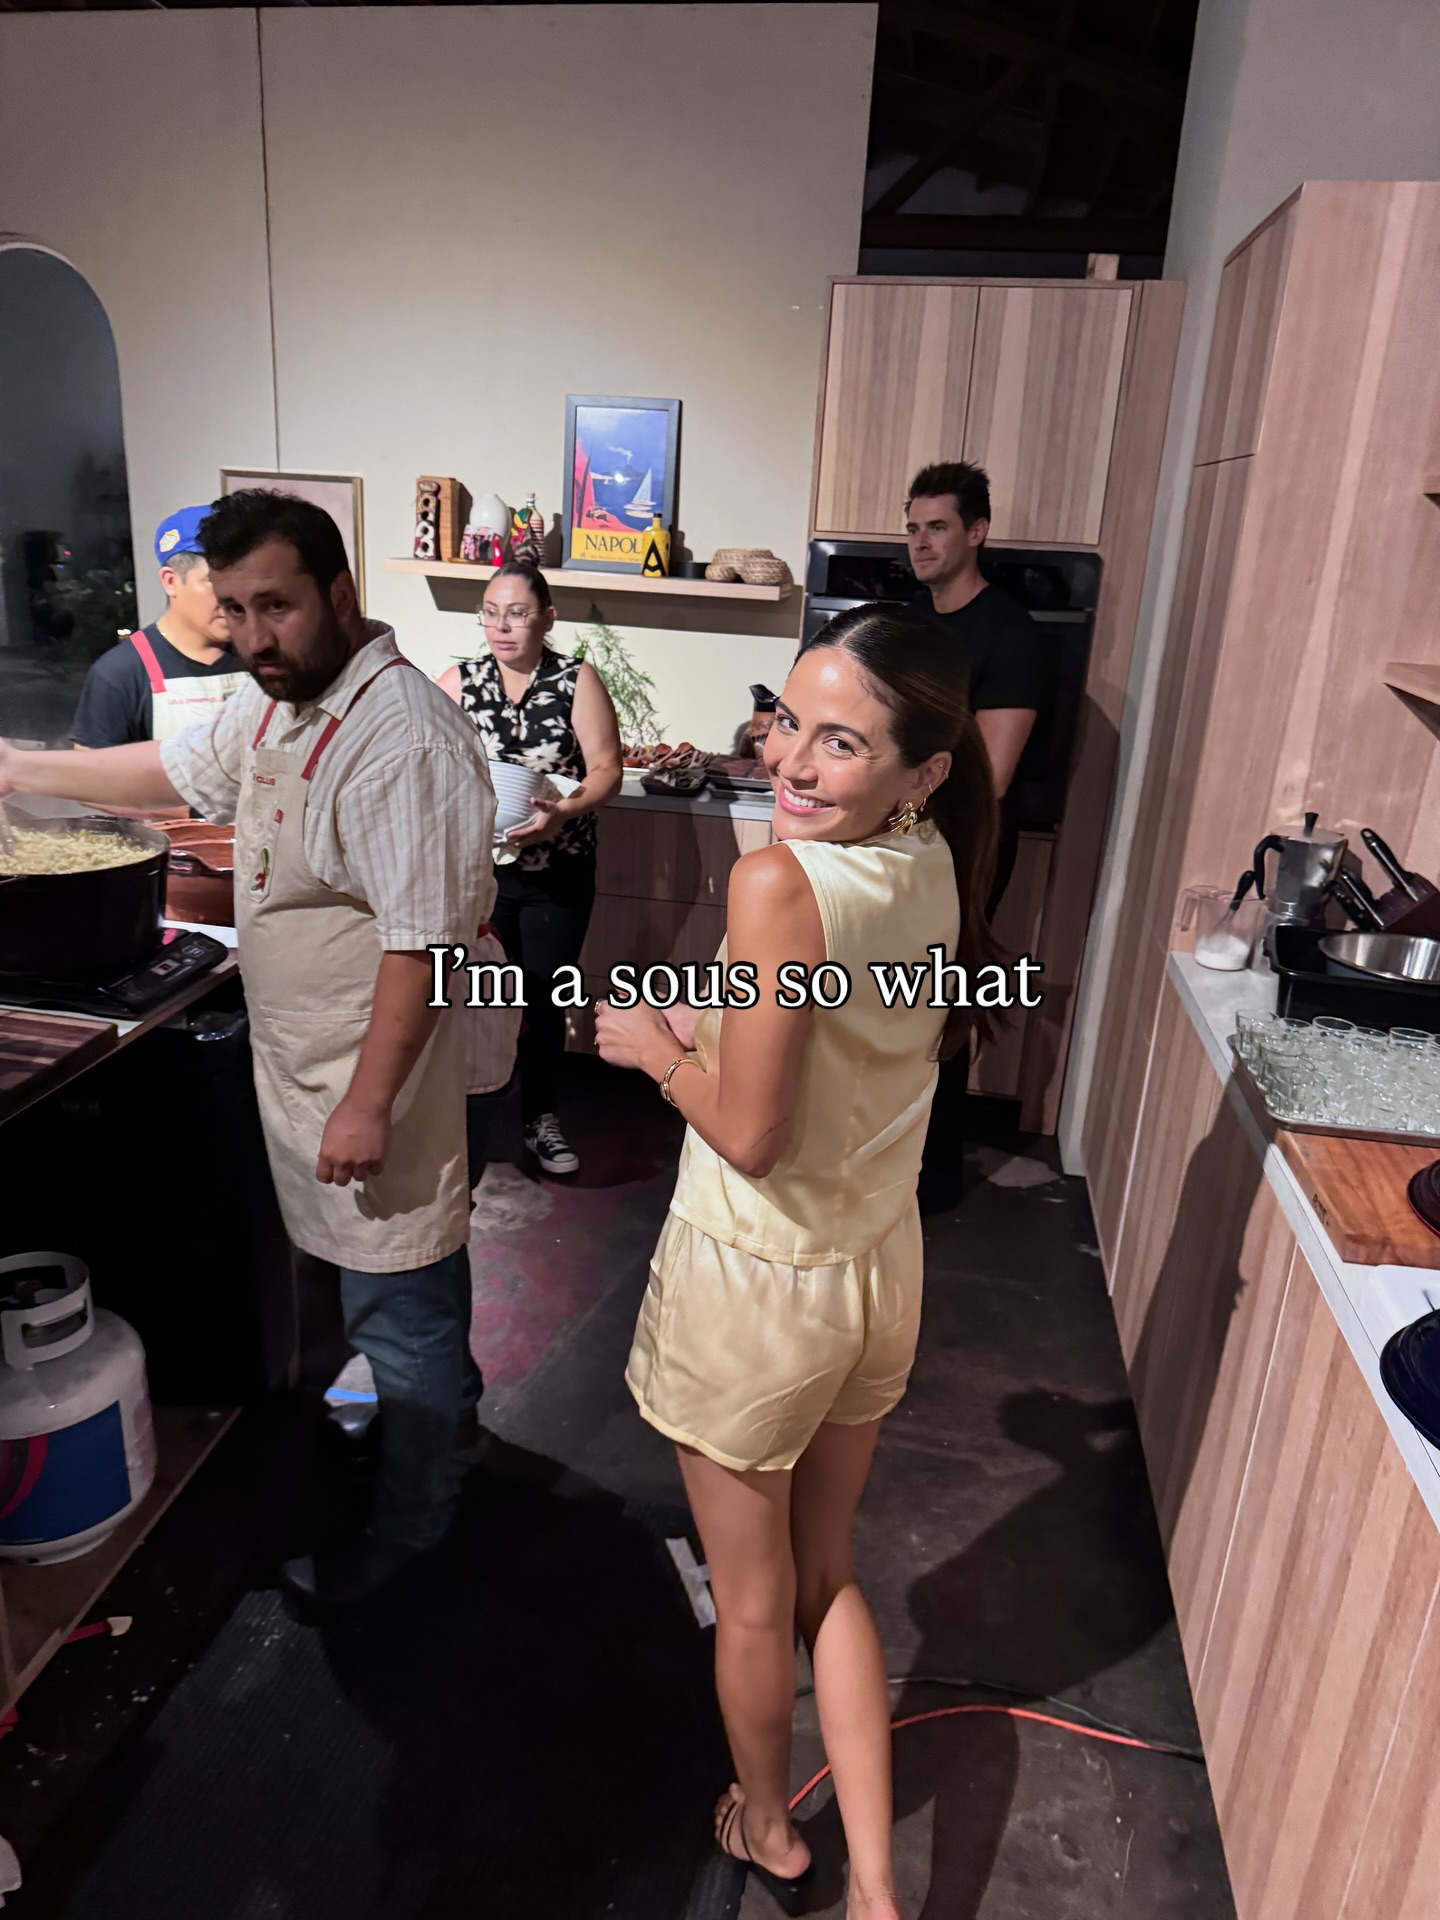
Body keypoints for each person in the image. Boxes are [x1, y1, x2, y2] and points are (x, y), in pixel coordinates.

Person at [0, 490, 496, 1616]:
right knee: (390, 1301)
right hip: (309, 1068)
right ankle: (445, 1438)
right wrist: (22, 769)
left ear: (339, 594)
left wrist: (368, 1104)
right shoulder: (287, 704)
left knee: (402, 1309)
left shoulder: (401, 735)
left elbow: (423, 946)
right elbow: (178, 769)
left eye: (276, 605)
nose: (253, 634)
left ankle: (415, 1528)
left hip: (371, 1079)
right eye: (234, 609)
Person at [595, 604, 1000, 1920]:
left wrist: (655, 1053)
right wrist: (713, 1026)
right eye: (789, 723)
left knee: (756, 1601)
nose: (791, 761)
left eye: (841, 743)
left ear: (920, 770)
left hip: (758, 1291)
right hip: (876, 1274)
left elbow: (756, 1138)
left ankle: (770, 1828)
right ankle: (877, 1892)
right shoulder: (929, 858)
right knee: (830, 1577)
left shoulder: (781, 882)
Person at [439, 558, 623, 1178]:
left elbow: (607, 769)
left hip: (557, 870)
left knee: (542, 999)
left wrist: (562, 811)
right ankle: (471, 1116)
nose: (501, 627)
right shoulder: (458, 682)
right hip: (479, 874)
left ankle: (540, 1116)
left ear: (547, 618)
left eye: (516, 614)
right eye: (491, 614)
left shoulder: (575, 680)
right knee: (476, 996)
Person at [905, 459, 1050, 1211]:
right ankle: (881, 1158)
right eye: (913, 528)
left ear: (977, 532)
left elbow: (989, 775)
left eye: (938, 527)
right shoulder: (907, 624)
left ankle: (932, 1174)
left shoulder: (1009, 633)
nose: (921, 542)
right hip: (898, 837)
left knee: (939, 1003)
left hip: (966, 847)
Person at [70, 504, 246, 746]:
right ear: (171, 582)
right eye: (216, 581)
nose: (235, 597)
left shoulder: (264, 656)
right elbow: (91, 766)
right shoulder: (120, 673)